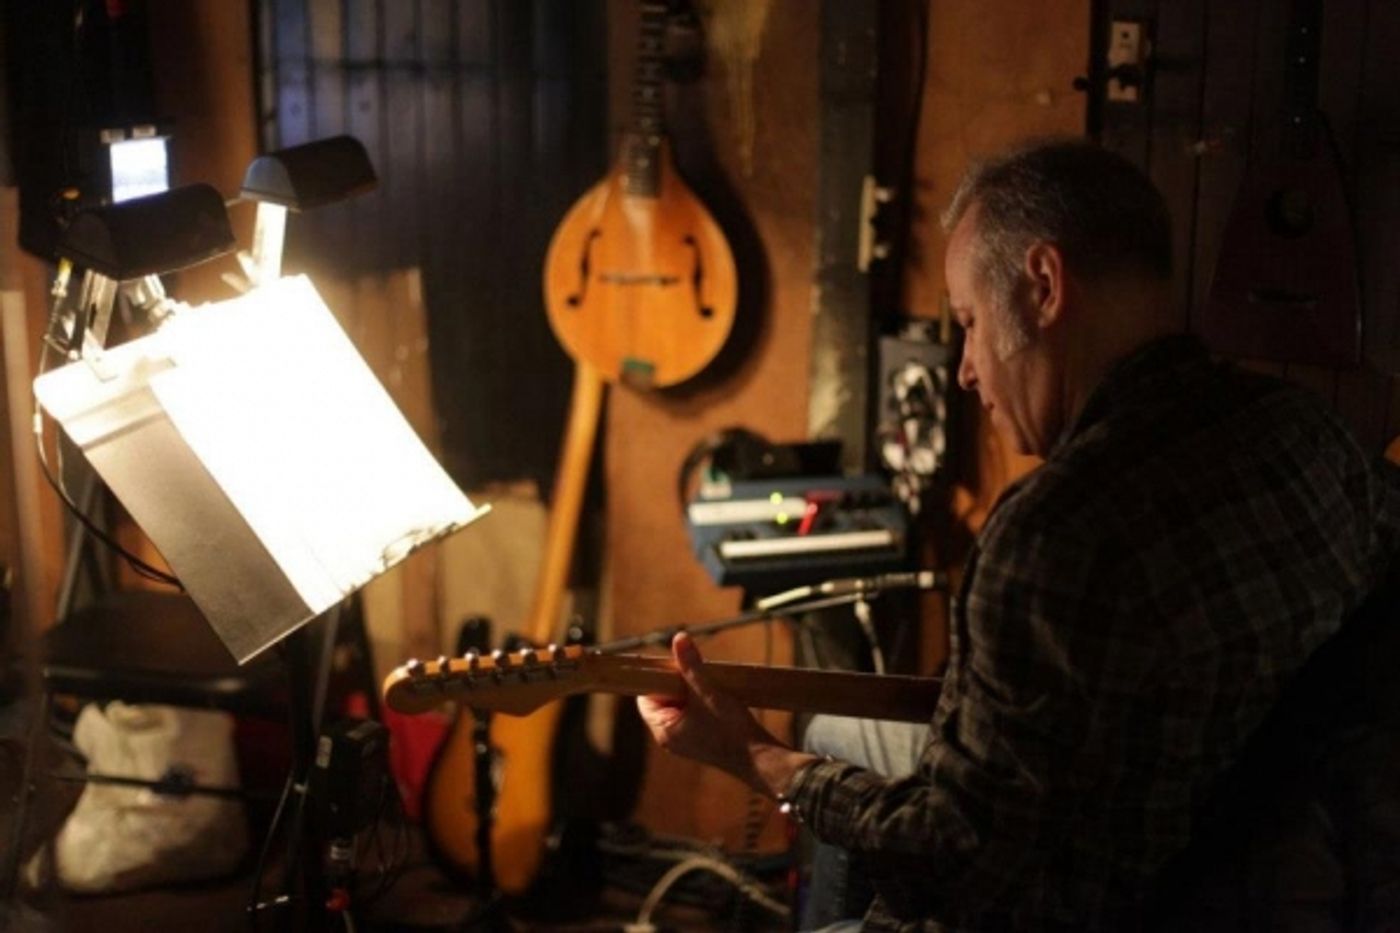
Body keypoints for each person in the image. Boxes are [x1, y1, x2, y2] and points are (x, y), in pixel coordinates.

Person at [636, 137, 1400, 931]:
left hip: (1103, 893)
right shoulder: (1309, 431)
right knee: (839, 726)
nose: (964, 370)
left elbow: (955, 861)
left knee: (818, 768)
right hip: (1255, 852)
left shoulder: (1051, 533)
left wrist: (754, 755)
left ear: (1042, 285)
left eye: (968, 322)